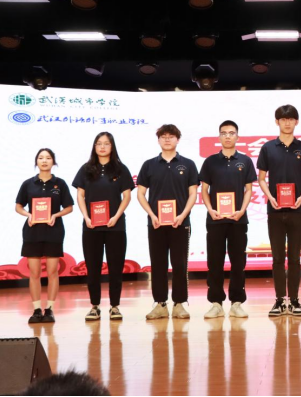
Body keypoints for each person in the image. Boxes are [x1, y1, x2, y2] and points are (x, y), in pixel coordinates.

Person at [257, 105, 301, 316]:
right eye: (283, 119)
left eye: (291, 119)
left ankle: (295, 300)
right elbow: (261, 178)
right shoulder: (267, 148)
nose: (287, 122)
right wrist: (270, 197)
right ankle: (280, 300)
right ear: (277, 122)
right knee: (278, 258)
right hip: (274, 210)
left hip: (297, 210)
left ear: (296, 122)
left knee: (295, 257)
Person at [137, 124, 199, 320]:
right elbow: (140, 194)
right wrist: (152, 215)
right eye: (163, 136)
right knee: (158, 264)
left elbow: (193, 194)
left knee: (180, 264)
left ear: (177, 140)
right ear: (158, 140)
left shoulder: (188, 164)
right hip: (156, 224)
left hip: (180, 223)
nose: (167, 139)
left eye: (171, 136)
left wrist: (183, 215)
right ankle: (160, 304)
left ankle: (179, 304)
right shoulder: (149, 165)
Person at [72, 132, 136, 321]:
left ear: (112, 146)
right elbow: (80, 195)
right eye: (99, 143)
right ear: (94, 146)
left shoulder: (120, 169)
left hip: (115, 226)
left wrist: (116, 216)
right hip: (91, 227)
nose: (102, 147)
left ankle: (115, 306)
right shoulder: (86, 169)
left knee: (116, 268)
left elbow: (127, 196)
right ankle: (94, 306)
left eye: (106, 144)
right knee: (93, 268)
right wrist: (86, 217)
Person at [200, 120, 256, 319]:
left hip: (238, 220)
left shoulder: (245, 161)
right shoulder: (210, 161)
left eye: (231, 133)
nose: (228, 136)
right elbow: (204, 190)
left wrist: (242, 210)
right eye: (224, 133)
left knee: (238, 262)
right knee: (214, 262)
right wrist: (210, 209)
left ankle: (236, 303)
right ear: (219, 137)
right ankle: (216, 303)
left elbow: (249, 189)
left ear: (237, 137)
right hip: (215, 220)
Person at [15, 148, 74, 324]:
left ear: (53, 162)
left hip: (54, 231)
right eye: (41, 158)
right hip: (32, 232)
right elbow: (18, 206)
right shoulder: (28, 184)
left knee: (52, 271)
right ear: (36, 162)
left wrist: (56, 215)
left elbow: (69, 207)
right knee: (34, 273)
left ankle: (49, 309)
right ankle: (36, 310)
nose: (44, 161)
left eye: (48, 158)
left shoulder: (60, 184)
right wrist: (28, 215)